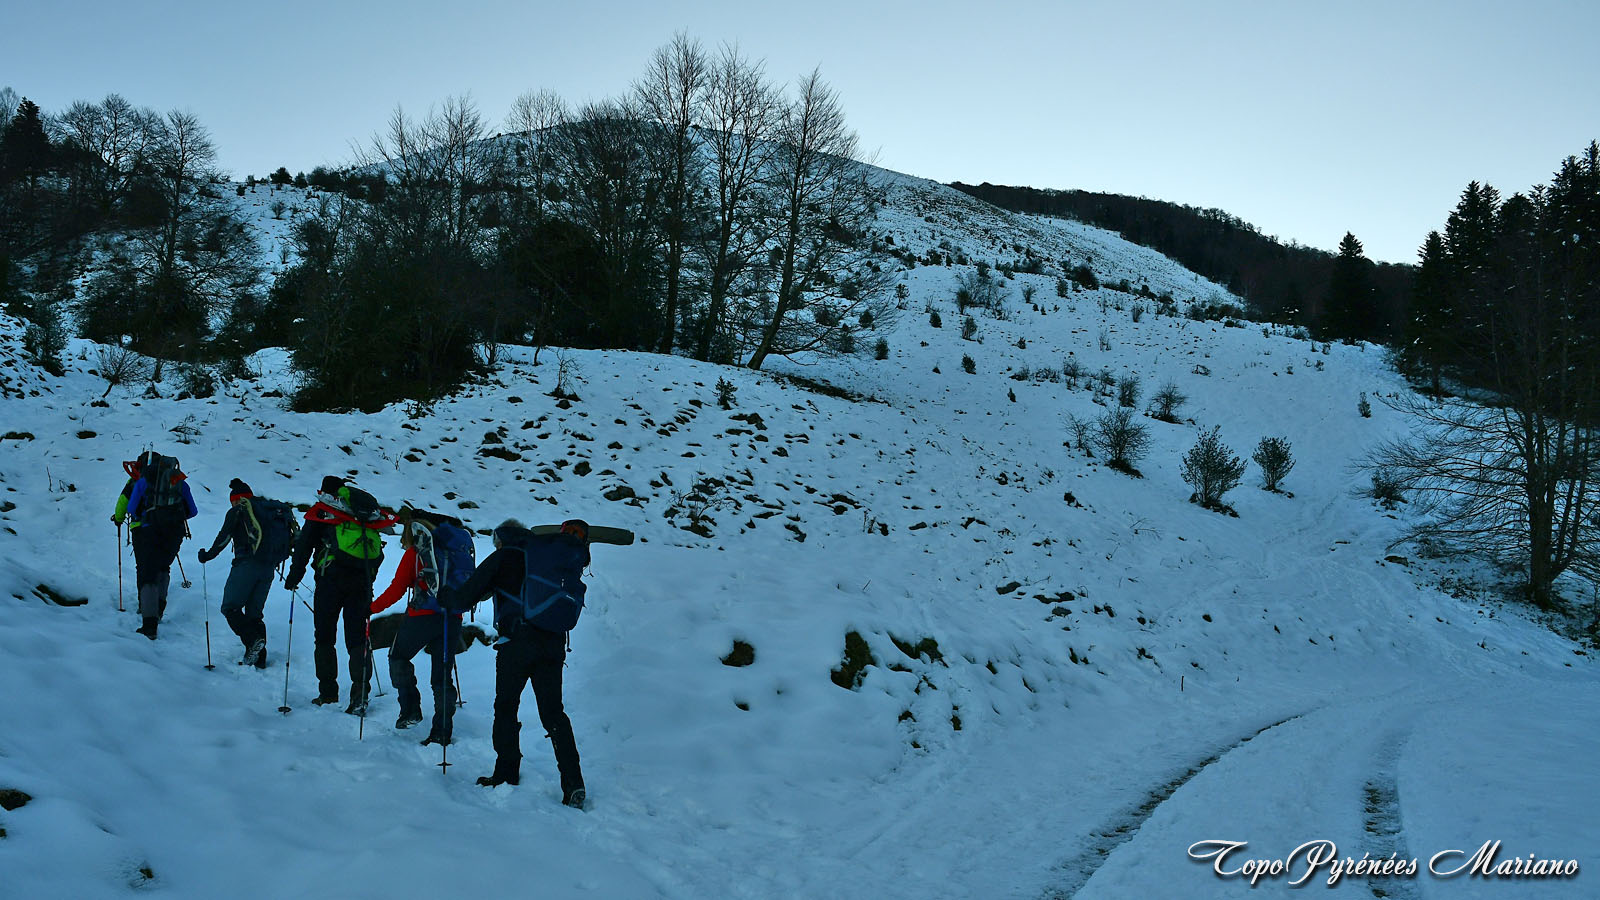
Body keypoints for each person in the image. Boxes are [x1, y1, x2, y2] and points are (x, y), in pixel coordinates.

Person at [442, 518, 587, 808]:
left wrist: (446, 595)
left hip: (517, 644)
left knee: (506, 707)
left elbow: (466, 597)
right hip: (553, 642)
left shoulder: (503, 557)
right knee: (554, 713)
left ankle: (506, 772)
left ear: (500, 538)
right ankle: (573, 783)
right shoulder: (544, 557)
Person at [283, 477, 392, 715]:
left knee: (324, 637)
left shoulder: (323, 511)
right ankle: (360, 695)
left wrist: (294, 576)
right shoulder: (363, 516)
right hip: (361, 583)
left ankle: (328, 693)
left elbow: (304, 547)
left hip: (330, 581)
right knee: (358, 639)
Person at [370, 509, 470, 745]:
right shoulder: (457, 551)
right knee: (442, 676)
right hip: (452, 618)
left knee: (398, 657)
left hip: (421, 617)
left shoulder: (418, 552)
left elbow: (397, 589)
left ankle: (410, 710)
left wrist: (371, 608)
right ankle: (442, 732)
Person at [111, 452, 198, 640]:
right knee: (163, 567)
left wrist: (132, 517)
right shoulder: (179, 482)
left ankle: (149, 623)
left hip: (145, 531)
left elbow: (130, 508)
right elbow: (193, 511)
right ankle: (158, 609)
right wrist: (172, 518)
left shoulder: (140, 481)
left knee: (147, 572)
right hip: (174, 533)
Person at [196, 479, 278, 668]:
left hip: (246, 565)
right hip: (269, 567)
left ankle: (253, 642)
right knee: (254, 614)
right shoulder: (267, 511)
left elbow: (224, 538)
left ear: (234, 499)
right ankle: (259, 659)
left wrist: (208, 555)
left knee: (230, 607)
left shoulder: (238, 511)